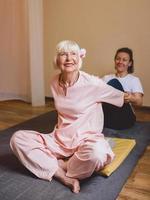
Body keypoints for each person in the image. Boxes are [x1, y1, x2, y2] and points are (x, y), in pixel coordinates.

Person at [10, 40, 126, 194]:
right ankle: (62, 175)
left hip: (86, 140)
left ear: (80, 58)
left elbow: (121, 97)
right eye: (63, 54)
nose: (69, 58)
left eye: (73, 54)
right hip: (59, 140)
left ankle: (62, 165)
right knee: (18, 139)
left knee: (97, 155)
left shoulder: (93, 84)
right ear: (57, 60)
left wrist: (135, 97)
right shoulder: (54, 81)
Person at [102, 47, 144, 130]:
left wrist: (130, 97)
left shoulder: (134, 80)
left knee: (113, 83)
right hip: (107, 118)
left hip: (125, 120)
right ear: (115, 61)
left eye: (124, 60)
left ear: (130, 63)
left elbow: (139, 102)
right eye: (118, 59)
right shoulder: (105, 78)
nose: (120, 62)